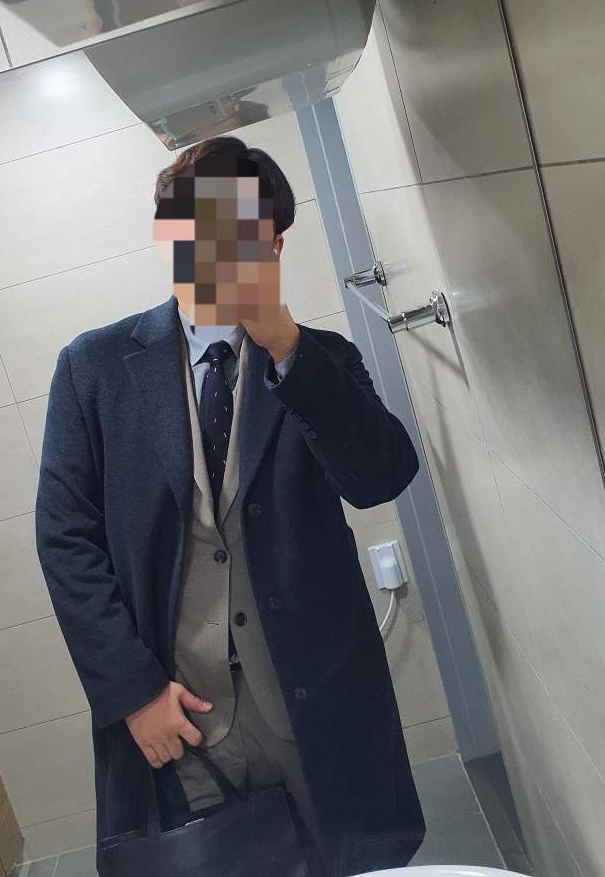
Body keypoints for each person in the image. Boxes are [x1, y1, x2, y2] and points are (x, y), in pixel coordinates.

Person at [35, 135, 426, 876]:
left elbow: (380, 476)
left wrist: (286, 347)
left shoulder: (323, 359)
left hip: (314, 698)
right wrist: (132, 692)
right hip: (177, 710)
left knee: (350, 862)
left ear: (272, 246)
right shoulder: (94, 368)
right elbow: (65, 539)